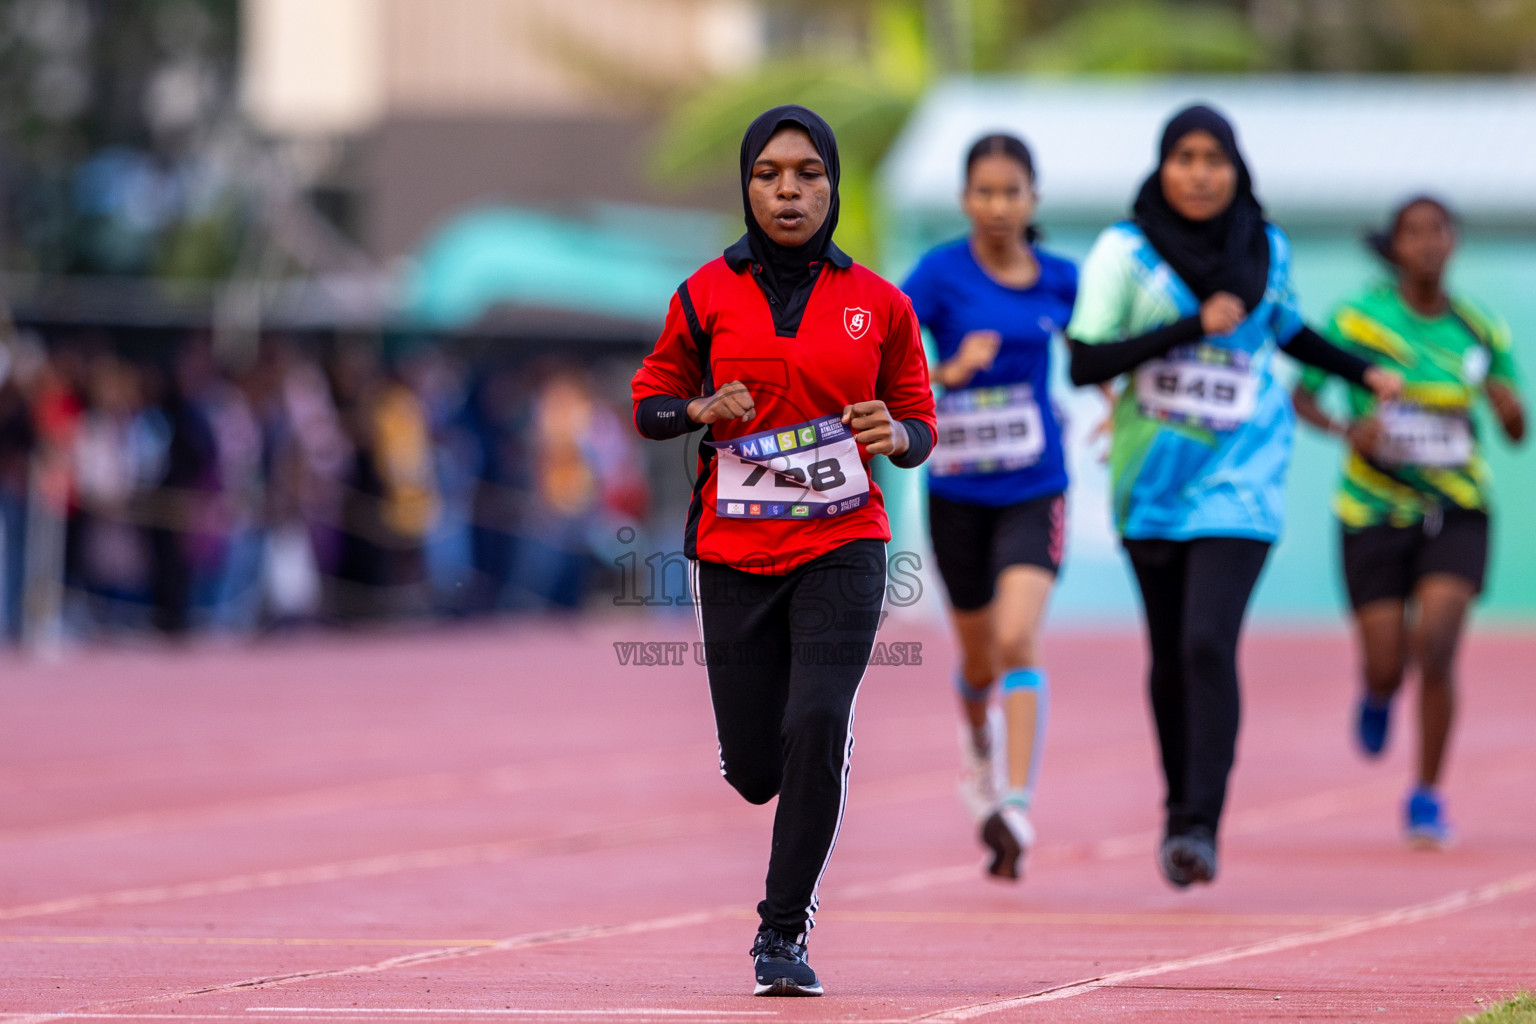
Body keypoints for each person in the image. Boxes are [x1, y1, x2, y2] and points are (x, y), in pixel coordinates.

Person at [630, 105, 936, 996]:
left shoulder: (881, 304)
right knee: (755, 769)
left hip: (845, 543)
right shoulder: (703, 295)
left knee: (816, 721)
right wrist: (696, 412)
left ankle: (781, 932)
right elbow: (650, 404)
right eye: (769, 174)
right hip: (733, 551)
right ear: (746, 186)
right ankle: (793, 764)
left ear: (833, 185)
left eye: (807, 173)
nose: (789, 189)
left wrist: (897, 434)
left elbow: (920, 423)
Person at [1065, 104, 1402, 888]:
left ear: (1236, 168)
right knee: (1168, 653)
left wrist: (1363, 370)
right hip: (1151, 479)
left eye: (1214, 157)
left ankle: (1200, 825)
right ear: (1162, 167)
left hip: (1242, 478)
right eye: (1185, 156)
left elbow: (1287, 328)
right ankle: (1178, 802)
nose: (1201, 171)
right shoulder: (1126, 251)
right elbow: (1085, 362)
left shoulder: (1266, 246)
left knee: (1207, 643)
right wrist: (1187, 328)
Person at [1292, 196, 1525, 848]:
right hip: (1372, 511)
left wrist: (1508, 408)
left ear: (1452, 243)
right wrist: (1347, 429)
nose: (1427, 243)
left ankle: (1426, 794)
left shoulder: (1480, 329)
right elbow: (1302, 394)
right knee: (1391, 662)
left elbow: (1515, 430)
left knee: (1440, 647)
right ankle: (1376, 690)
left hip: (1458, 509)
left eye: (1438, 231)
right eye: (1413, 232)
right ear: (1393, 246)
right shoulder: (1357, 321)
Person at [902, 133, 1076, 880]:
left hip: (1035, 486)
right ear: (965, 199)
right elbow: (886, 360)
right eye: (984, 191)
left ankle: (1015, 803)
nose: (999, 206)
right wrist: (950, 370)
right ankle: (979, 752)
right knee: (978, 658)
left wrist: (1113, 405)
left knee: (1016, 640)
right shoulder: (938, 274)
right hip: (958, 491)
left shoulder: (1062, 280)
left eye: (1012, 192)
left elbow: (1103, 351)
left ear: (1033, 199)